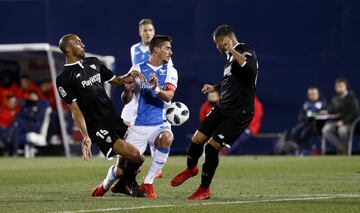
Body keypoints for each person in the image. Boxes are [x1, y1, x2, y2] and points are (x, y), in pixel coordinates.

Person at [170, 25, 259, 200]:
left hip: (239, 113)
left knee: (211, 148)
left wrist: (232, 49)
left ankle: (204, 189)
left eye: (217, 43)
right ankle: (191, 168)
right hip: (222, 107)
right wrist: (215, 87)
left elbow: (250, 70)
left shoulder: (246, 51)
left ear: (225, 40)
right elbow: (232, 80)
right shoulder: (229, 59)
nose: (217, 48)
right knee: (196, 140)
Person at [56, 34, 145, 192]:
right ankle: (126, 183)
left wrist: (129, 76)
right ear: (68, 48)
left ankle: (118, 181)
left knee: (139, 159)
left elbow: (117, 81)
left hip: (113, 118)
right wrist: (85, 136)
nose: (83, 45)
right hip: (97, 127)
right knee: (134, 155)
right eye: (78, 43)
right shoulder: (63, 79)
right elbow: (75, 111)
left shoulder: (94, 63)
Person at [92, 35, 178, 198]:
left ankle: (148, 182)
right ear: (157, 50)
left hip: (160, 124)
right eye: (167, 48)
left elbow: (169, 96)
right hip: (138, 125)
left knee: (167, 138)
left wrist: (156, 89)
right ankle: (106, 185)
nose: (170, 52)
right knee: (120, 169)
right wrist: (128, 90)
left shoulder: (171, 71)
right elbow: (126, 100)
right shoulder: (137, 68)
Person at [125, 18, 173, 179]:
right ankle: (124, 160)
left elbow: (168, 71)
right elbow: (134, 71)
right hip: (140, 91)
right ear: (140, 32)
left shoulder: (163, 51)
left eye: (150, 30)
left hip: (158, 91)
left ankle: (155, 166)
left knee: (161, 129)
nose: (148, 33)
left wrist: (159, 86)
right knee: (127, 121)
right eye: (145, 30)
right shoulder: (134, 49)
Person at [321, 78, 359, 154]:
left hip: (350, 123)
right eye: (337, 86)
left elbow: (354, 113)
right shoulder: (335, 99)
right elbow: (331, 109)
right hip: (336, 121)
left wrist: (343, 121)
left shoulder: (352, 98)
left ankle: (347, 150)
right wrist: (326, 111)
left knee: (342, 131)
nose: (339, 88)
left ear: (346, 87)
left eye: (341, 86)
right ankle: (342, 149)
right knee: (325, 130)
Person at [286, 87, 326, 153]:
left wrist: (313, 115)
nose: (312, 96)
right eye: (310, 94)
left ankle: (310, 150)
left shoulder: (323, 104)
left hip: (318, 125)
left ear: (318, 94)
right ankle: (298, 148)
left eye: (314, 94)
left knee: (304, 133)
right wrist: (305, 117)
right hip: (306, 123)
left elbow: (323, 114)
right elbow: (301, 115)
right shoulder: (306, 104)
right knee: (295, 131)